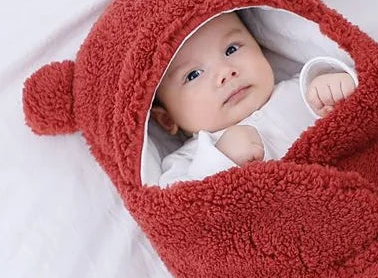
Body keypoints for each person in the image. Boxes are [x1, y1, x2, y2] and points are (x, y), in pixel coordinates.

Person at [150, 11, 357, 186]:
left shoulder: (304, 89)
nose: (226, 72)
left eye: (231, 49)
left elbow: (363, 111)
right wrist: (221, 160)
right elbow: (181, 208)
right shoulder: (188, 160)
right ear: (167, 119)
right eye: (193, 75)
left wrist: (338, 83)